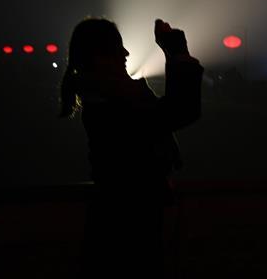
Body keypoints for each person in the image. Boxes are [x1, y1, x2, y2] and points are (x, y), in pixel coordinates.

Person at [60, 17, 203, 278]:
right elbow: (177, 112)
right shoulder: (112, 105)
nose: (126, 54)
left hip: (120, 220)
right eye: (118, 48)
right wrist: (177, 54)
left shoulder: (103, 100)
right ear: (99, 57)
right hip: (130, 224)